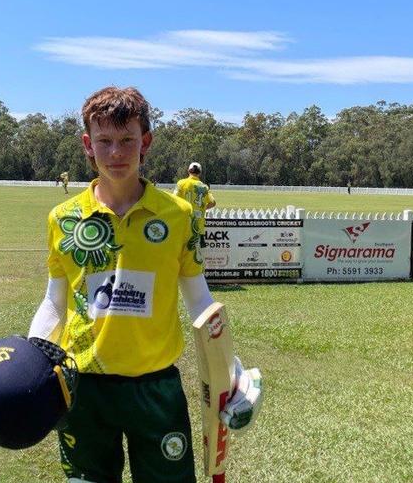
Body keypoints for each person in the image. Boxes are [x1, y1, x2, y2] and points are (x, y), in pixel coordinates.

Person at [28, 86, 262, 483]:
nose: (116, 153)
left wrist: (230, 368)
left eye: (126, 140)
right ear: (88, 144)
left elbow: (199, 299)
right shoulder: (63, 218)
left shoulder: (179, 215)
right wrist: (27, 358)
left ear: (145, 142)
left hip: (155, 388)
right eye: (104, 141)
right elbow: (54, 301)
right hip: (83, 388)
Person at [173, 162, 216, 248]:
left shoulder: (182, 183)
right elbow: (213, 202)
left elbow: (174, 199)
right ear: (199, 173)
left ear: (188, 171)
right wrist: (203, 208)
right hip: (199, 229)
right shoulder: (204, 187)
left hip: (184, 226)